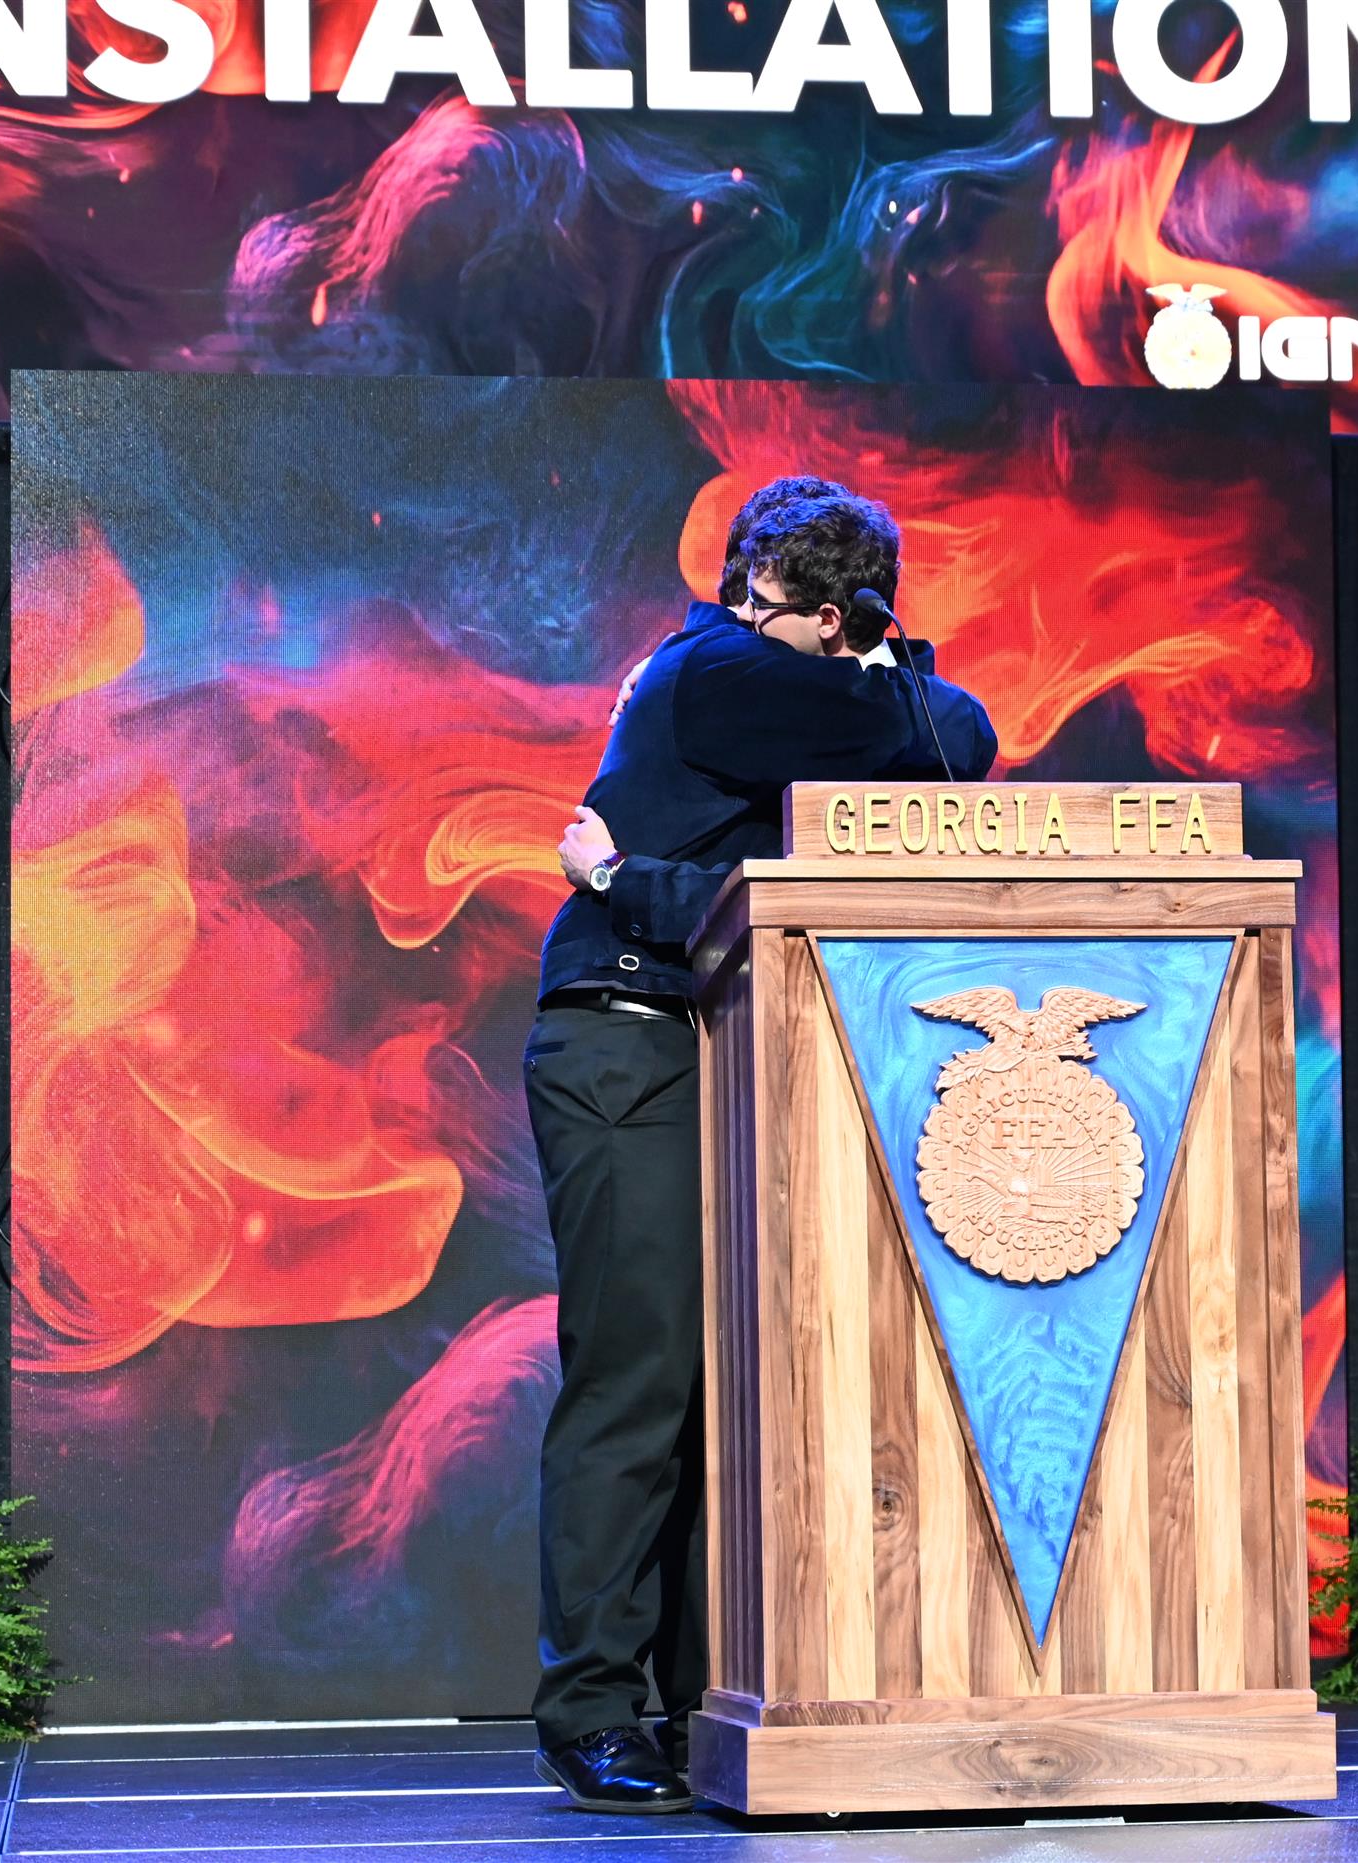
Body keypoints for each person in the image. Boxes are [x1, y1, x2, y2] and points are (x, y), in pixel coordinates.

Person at [525, 485, 996, 1814]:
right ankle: (592, 1708)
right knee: (639, 1378)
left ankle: (698, 1699)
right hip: (630, 1041)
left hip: (721, 1040)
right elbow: (935, 731)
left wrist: (624, 875)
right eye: (741, 588)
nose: (739, 609)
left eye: (767, 600)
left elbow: (958, 744)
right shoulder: (717, 668)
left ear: (836, 617)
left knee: (722, 1390)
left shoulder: (810, 680)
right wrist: (887, 671)